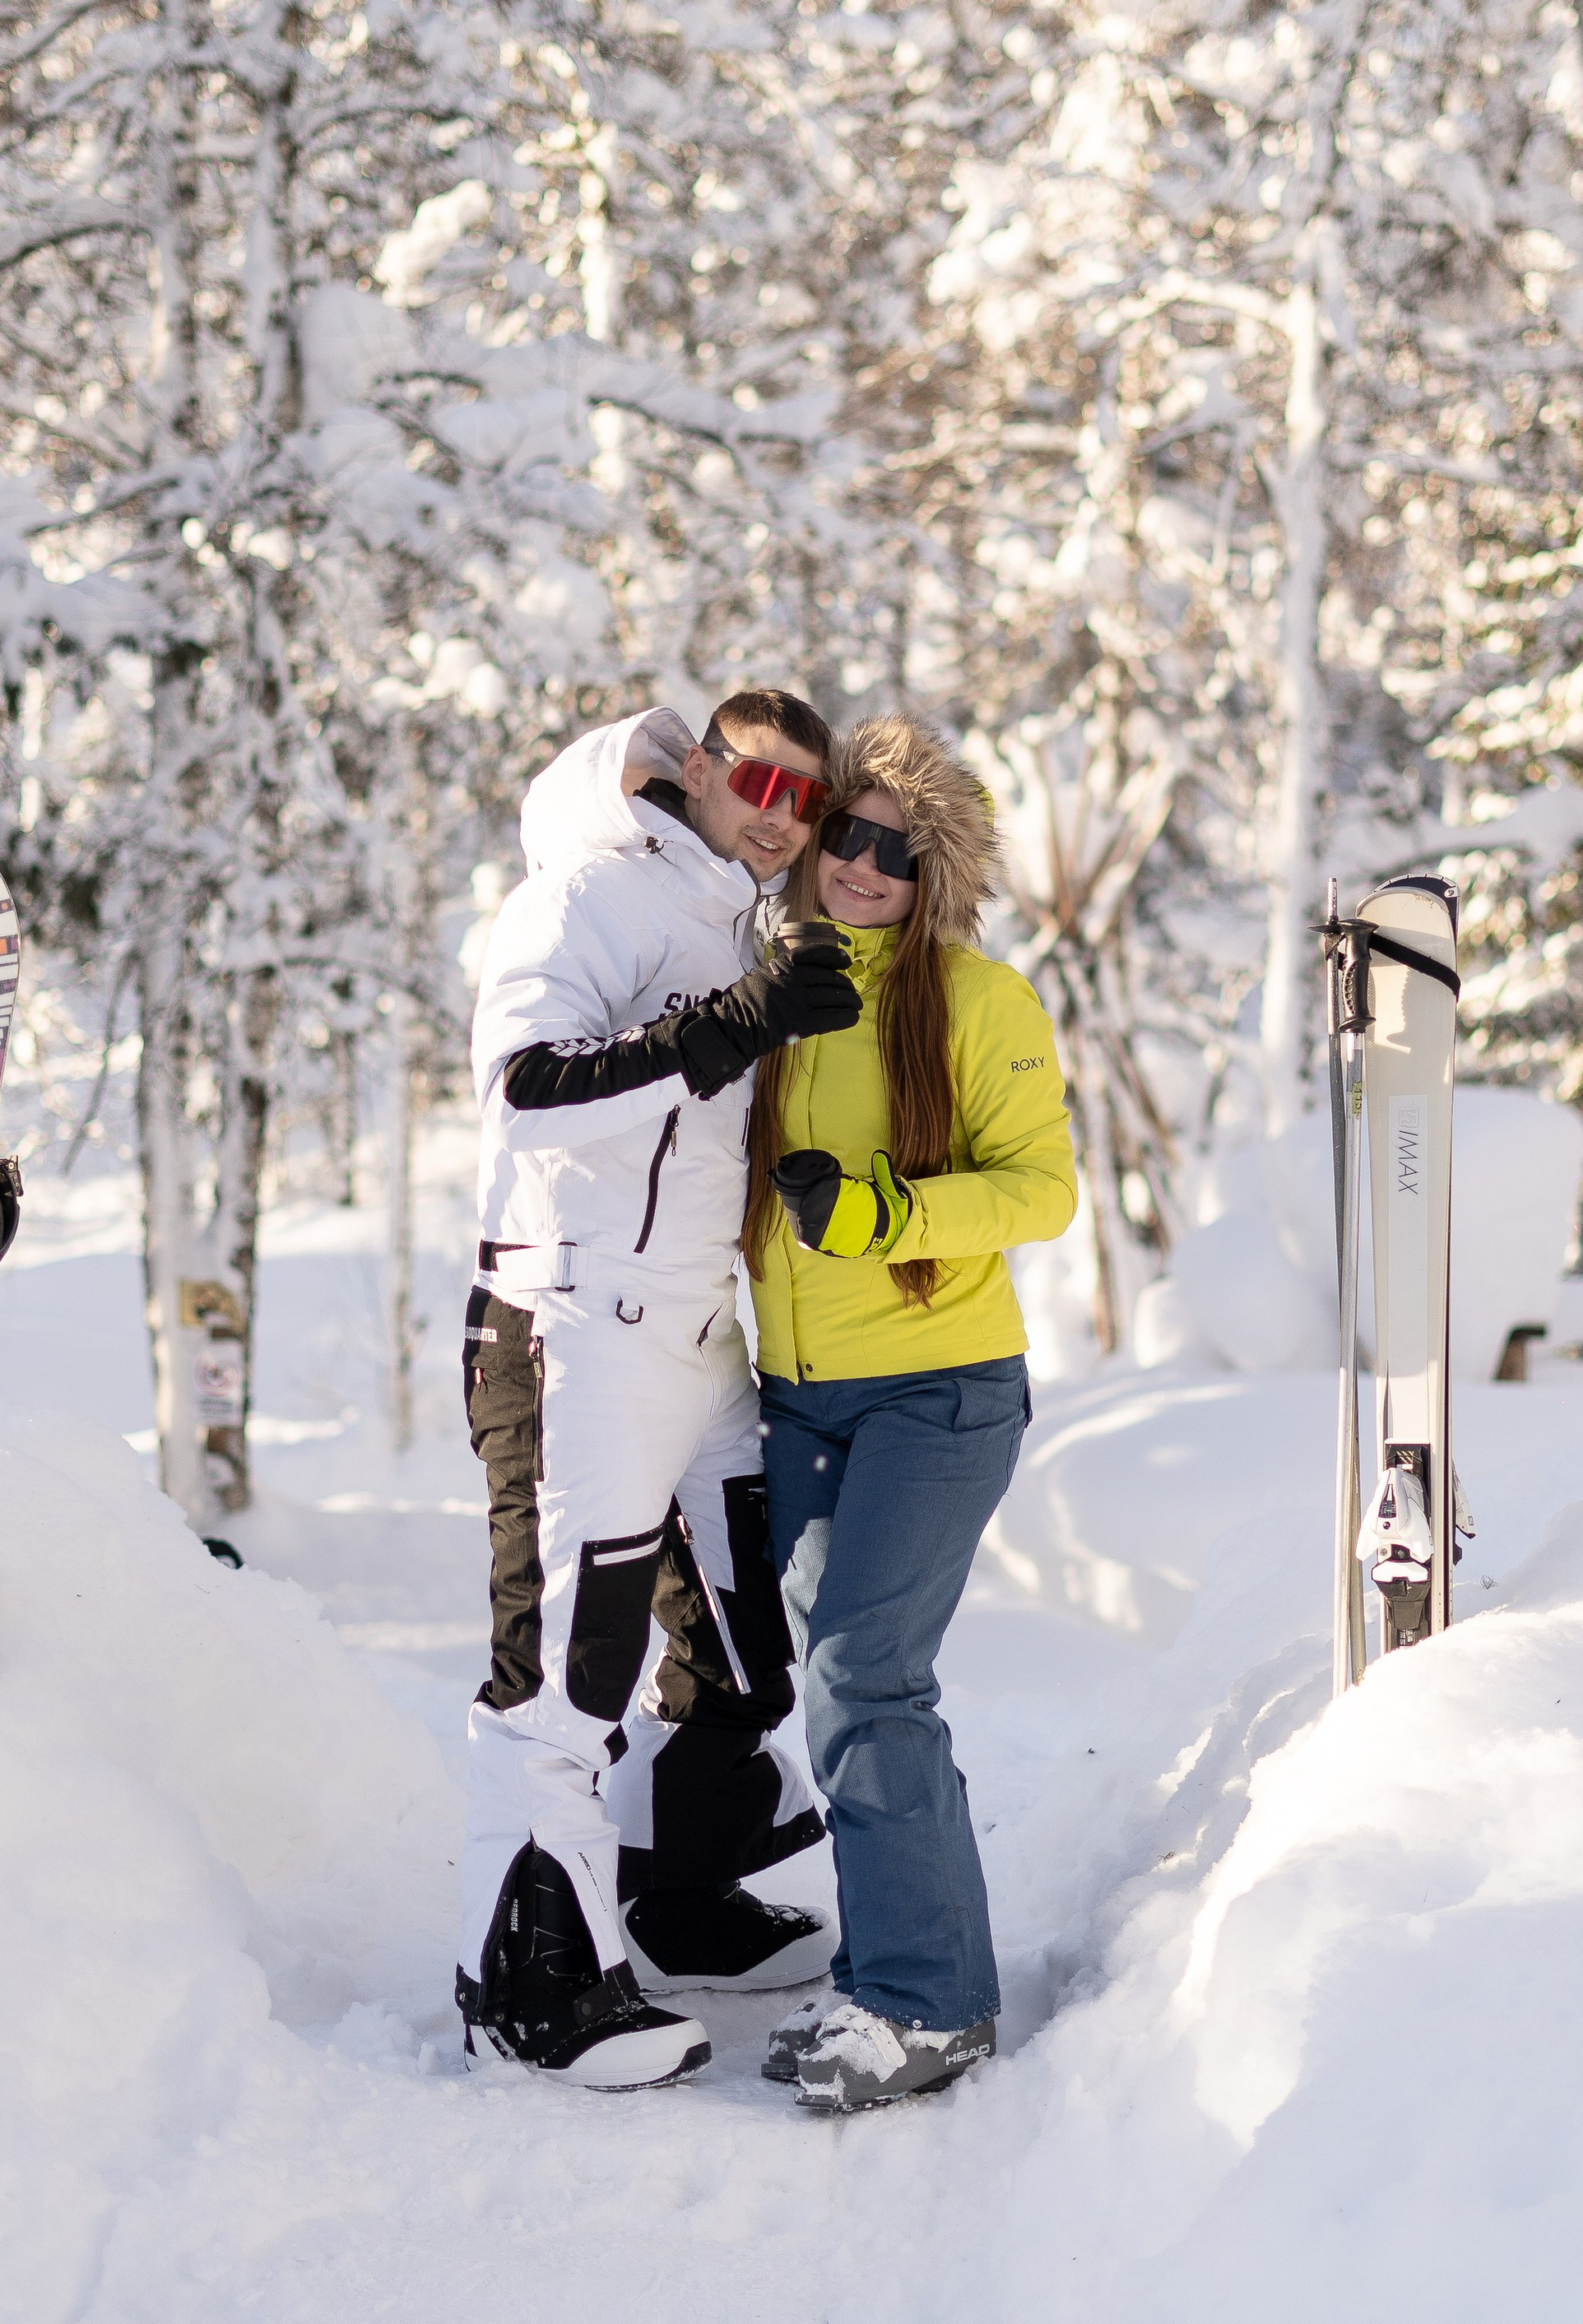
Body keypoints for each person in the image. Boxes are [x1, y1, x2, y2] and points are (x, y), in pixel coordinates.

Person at [457, 689, 863, 2088]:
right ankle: (523, 1985)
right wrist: (721, 1030)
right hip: (572, 1319)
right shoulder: (585, 896)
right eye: (757, 780)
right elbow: (519, 1088)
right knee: (573, 1663)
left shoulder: (745, 917)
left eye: (805, 800)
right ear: (696, 767)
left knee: (755, 1628)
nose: (778, 815)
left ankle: (674, 1893)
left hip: (702, 1335)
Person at [745, 713, 1077, 2113]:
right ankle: (895, 1967)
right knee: (843, 1682)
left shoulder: (981, 1001)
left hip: (942, 1388)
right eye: (849, 835)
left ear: (933, 871)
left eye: (900, 847)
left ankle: (928, 2005)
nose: (867, 864)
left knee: (866, 1676)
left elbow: (1041, 1190)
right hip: (796, 1394)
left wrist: (885, 1214)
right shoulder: (762, 981)